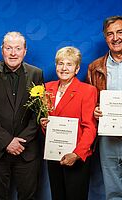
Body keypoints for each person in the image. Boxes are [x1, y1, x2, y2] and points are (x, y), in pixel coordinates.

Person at [0, 31, 43, 200]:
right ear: (2, 50)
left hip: (26, 150)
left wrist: (20, 142)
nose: (13, 53)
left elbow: (39, 112)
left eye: (18, 48)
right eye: (9, 48)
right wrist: (7, 141)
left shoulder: (37, 74)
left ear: (25, 51)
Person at [40, 46, 97, 200]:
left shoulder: (88, 91)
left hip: (76, 156)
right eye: (60, 63)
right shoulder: (46, 89)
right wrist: (44, 125)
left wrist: (77, 153)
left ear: (77, 69)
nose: (64, 68)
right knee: (57, 196)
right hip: (53, 155)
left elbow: (90, 127)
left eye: (69, 64)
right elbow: (47, 122)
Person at [86, 15, 122, 199]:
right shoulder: (95, 68)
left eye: (120, 32)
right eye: (110, 34)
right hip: (108, 136)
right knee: (113, 189)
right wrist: (95, 109)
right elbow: (89, 103)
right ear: (105, 37)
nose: (115, 38)